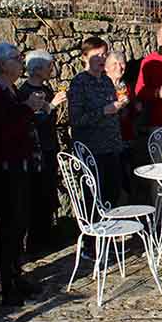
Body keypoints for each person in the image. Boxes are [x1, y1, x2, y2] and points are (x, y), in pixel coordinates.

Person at [0, 42, 47, 307]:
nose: (21, 62)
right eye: (17, 59)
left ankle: (16, 275)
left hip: (19, 162)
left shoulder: (10, 88)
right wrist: (29, 107)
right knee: (8, 225)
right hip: (3, 166)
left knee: (18, 222)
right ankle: (7, 285)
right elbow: (3, 127)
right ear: (3, 64)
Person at [68, 37, 130, 207]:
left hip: (112, 147)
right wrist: (104, 111)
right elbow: (76, 119)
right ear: (84, 57)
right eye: (96, 55)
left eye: (104, 55)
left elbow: (113, 113)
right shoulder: (79, 83)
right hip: (92, 150)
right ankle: (94, 233)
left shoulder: (106, 81)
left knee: (113, 194)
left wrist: (119, 107)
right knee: (94, 199)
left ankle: (113, 232)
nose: (101, 59)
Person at [19, 50, 68, 253]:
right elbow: (31, 120)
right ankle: (33, 241)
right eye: (49, 66)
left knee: (48, 191)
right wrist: (52, 105)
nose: (52, 69)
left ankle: (46, 235)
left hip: (49, 147)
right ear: (37, 69)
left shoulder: (46, 89)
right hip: (34, 151)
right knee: (34, 194)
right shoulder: (24, 92)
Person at [105, 50, 142, 200]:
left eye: (122, 63)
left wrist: (136, 107)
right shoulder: (101, 87)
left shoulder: (125, 86)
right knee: (112, 180)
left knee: (128, 179)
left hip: (126, 138)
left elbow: (133, 113)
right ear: (106, 67)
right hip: (108, 141)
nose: (119, 67)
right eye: (114, 64)